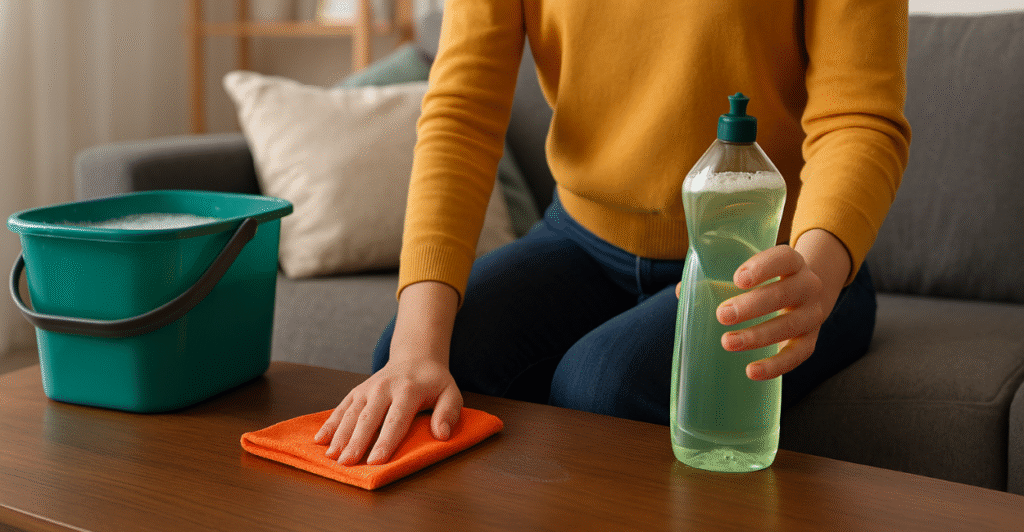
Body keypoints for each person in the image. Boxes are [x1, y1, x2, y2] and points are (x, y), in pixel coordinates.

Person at [313, 0, 912, 466]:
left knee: (603, 386)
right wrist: (415, 350)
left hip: (773, 259)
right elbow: (463, 111)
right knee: (414, 368)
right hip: (580, 238)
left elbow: (857, 116)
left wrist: (817, 276)